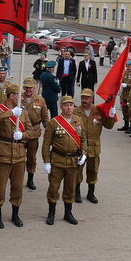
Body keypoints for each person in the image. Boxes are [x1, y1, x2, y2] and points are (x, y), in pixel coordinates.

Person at [0, 84, 31, 229]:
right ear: (11, 96)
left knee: (17, 187)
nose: (22, 98)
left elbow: (32, 131)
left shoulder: (23, 112)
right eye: (19, 95)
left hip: (19, 154)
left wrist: (23, 135)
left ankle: (15, 214)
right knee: (0, 187)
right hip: (3, 153)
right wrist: (11, 113)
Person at [42, 96, 87, 225]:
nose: (69, 108)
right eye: (66, 105)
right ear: (61, 107)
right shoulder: (54, 122)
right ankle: (51, 213)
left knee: (70, 188)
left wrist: (84, 153)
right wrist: (46, 161)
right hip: (57, 160)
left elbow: (83, 139)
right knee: (53, 188)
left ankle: (68, 213)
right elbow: (46, 144)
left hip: (73, 161)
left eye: (71, 105)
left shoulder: (78, 121)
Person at [74, 89, 115, 204]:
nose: (84, 100)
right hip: (79, 147)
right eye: (82, 98)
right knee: (77, 170)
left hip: (94, 147)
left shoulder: (98, 111)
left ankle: (90, 193)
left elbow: (109, 126)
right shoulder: (75, 112)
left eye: (87, 98)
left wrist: (111, 115)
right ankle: (76, 192)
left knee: (93, 170)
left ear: (92, 99)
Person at [20, 77, 48, 192]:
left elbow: (45, 116)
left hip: (34, 133)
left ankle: (30, 179)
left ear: (34, 88)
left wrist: (49, 129)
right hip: (20, 132)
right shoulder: (18, 99)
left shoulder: (40, 100)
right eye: (26, 87)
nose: (28, 90)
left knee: (31, 157)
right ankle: (18, 178)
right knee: (19, 157)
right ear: (23, 87)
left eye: (30, 88)